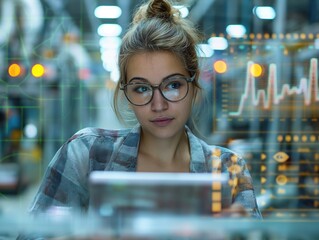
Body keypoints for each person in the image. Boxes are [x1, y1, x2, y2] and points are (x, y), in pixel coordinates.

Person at [28, 0, 262, 219]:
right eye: (141, 89)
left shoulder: (228, 168)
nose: (158, 105)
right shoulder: (85, 155)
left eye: (173, 85)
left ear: (194, 85)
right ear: (126, 93)